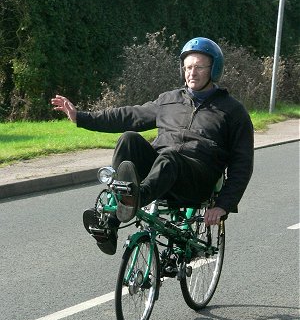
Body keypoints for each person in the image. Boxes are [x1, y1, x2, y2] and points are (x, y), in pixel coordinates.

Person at [51, 37, 254, 255]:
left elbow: (242, 164)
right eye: (187, 67)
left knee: (170, 158)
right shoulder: (168, 100)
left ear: (214, 70)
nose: (191, 73)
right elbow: (128, 116)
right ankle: (111, 223)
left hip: (196, 180)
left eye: (198, 67)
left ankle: (133, 200)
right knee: (129, 138)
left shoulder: (233, 112)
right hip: (162, 172)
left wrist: (223, 204)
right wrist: (81, 118)